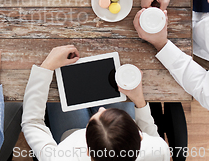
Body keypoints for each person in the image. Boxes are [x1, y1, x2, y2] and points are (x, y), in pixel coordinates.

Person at [22, 45, 169, 160]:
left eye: (92, 121)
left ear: (87, 150)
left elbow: (32, 123)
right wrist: (139, 101)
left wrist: (46, 67)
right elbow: (153, 136)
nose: (101, 108)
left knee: (60, 88)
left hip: (70, 137)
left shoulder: (61, 157)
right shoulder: (159, 151)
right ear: (140, 136)